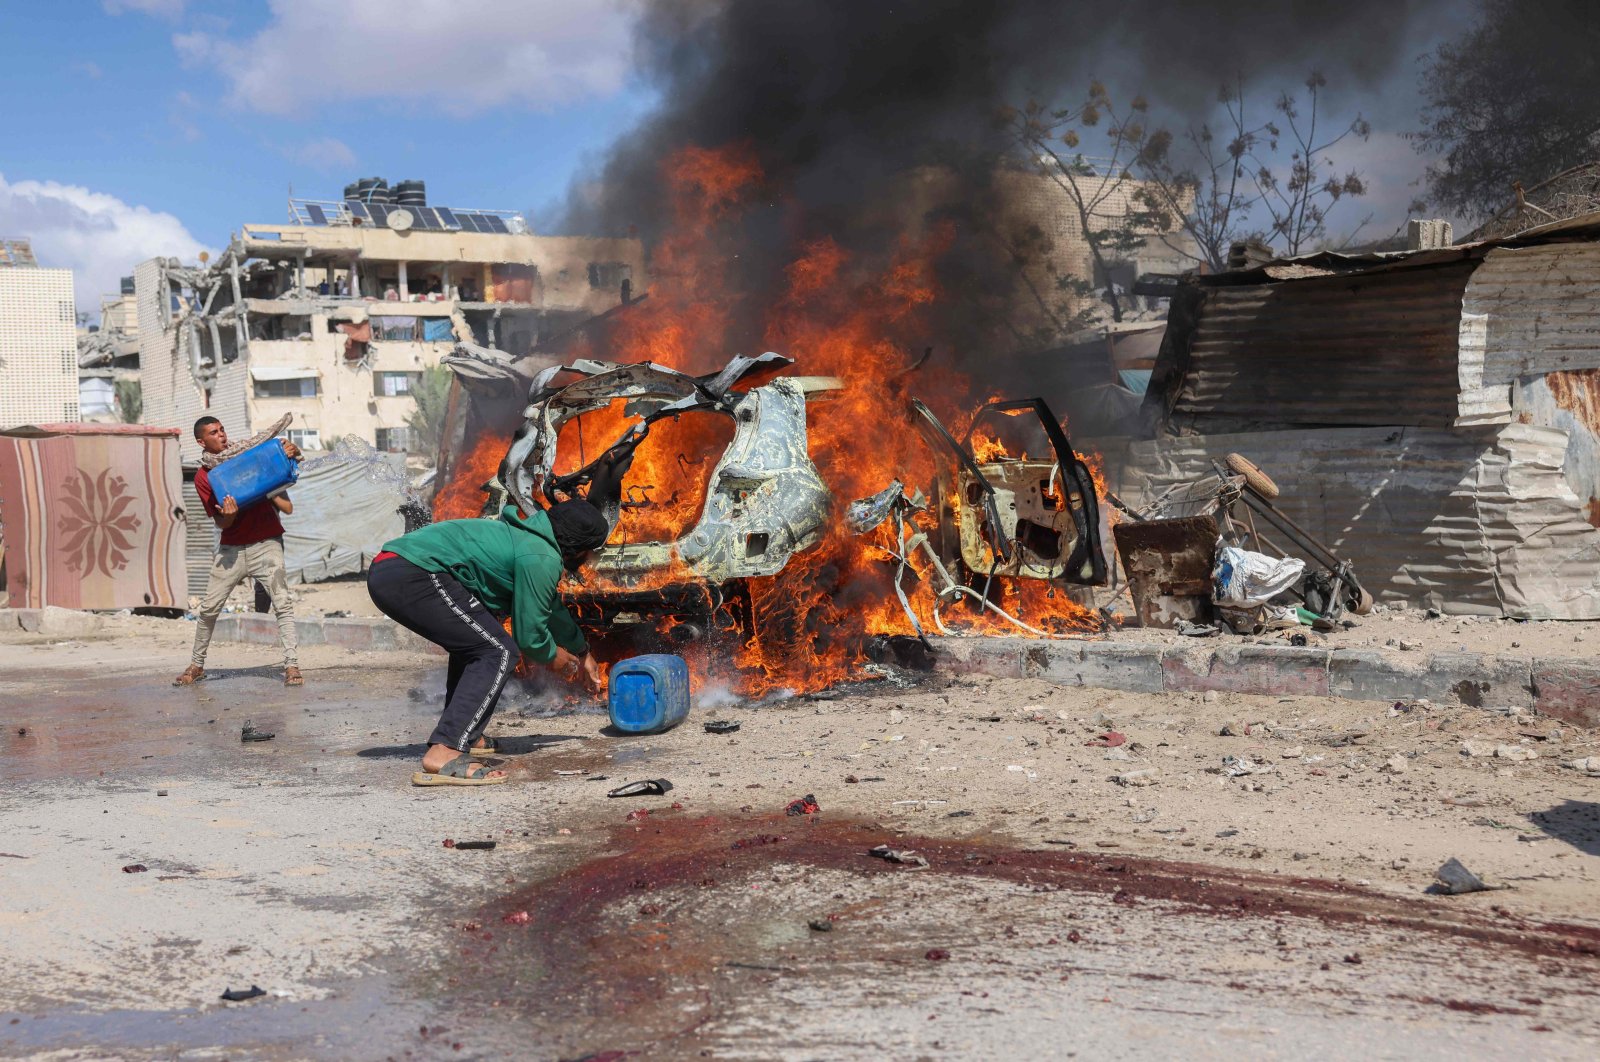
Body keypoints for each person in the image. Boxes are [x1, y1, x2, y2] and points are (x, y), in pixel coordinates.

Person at [367, 498, 608, 786]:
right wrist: (554, 656)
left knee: (476, 645)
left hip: (393, 568)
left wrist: (583, 652)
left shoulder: (529, 541)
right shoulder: (541, 557)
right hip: (410, 573)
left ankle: (464, 733)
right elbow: (530, 637)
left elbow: (552, 609)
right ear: (580, 549)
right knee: (498, 651)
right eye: (593, 552)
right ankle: (444, 752)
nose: (591, 559)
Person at [174, 418, 304, 687]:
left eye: (222, 429)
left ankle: (292, 666)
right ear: (201, 442)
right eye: (213, 433)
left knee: (283, 602)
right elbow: (220, 522)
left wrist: (290, 453)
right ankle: (197, 664)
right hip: (231, 549)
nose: (221, 435)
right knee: (209, 608)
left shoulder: (248, 456)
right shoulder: (203, 476)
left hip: (266, 542)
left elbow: (283, 478)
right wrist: (230, 516)